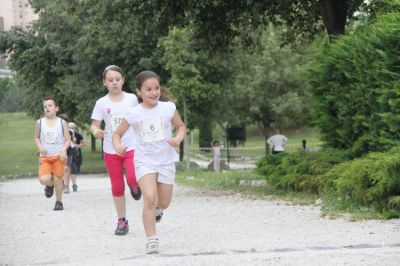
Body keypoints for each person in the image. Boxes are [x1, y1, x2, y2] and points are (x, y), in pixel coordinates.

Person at [112, 70, 186, 254]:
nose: (154, 93)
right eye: (148, 89)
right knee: (150, 198)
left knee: (164, 202)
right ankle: (151, 239)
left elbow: (181, 127)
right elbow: (117, 133)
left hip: (166, 160)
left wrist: (178, 139)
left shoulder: (168, 107)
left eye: (156, 88)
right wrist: (118, 145)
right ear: (139, 92)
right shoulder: (134, 113)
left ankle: (159, 209)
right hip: (144, 161)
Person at [90, 65, 142, 236]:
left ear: (123, 80)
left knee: (134, 177)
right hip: (111, 150)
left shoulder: (132, 99)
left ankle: (134, 186)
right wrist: (96, 131)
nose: (114, 83)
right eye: (110, 80)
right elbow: (94, 124)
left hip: (131, 146)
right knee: (117, 187)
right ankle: (122, 220)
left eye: (117, 79)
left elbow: (141, 116)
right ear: (105, 82)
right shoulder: (101, 103)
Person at [34, 96, 70, 211]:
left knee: (58, 179)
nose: (47, 108)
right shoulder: (39, 122)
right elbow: (36, 138)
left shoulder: (62, 123)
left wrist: (64, 149)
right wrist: (40, 146)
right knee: (43, 179)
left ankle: (59, 202)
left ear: (56, 108)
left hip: (59, 156)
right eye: (45, 106)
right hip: (45, 157)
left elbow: (67, 140)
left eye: (50, 105)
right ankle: (49, 185)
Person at [63, 122, 85, 192]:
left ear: (75, 128)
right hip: (67, 154)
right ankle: (68, 185)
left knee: (74, 170)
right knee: (69, 169)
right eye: (69, 128)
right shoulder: (65, 135)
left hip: (76, 155)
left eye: (73, 128)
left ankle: (73, 184)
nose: (71, 129)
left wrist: (77, 146)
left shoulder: (78, 135)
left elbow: (83, 144)